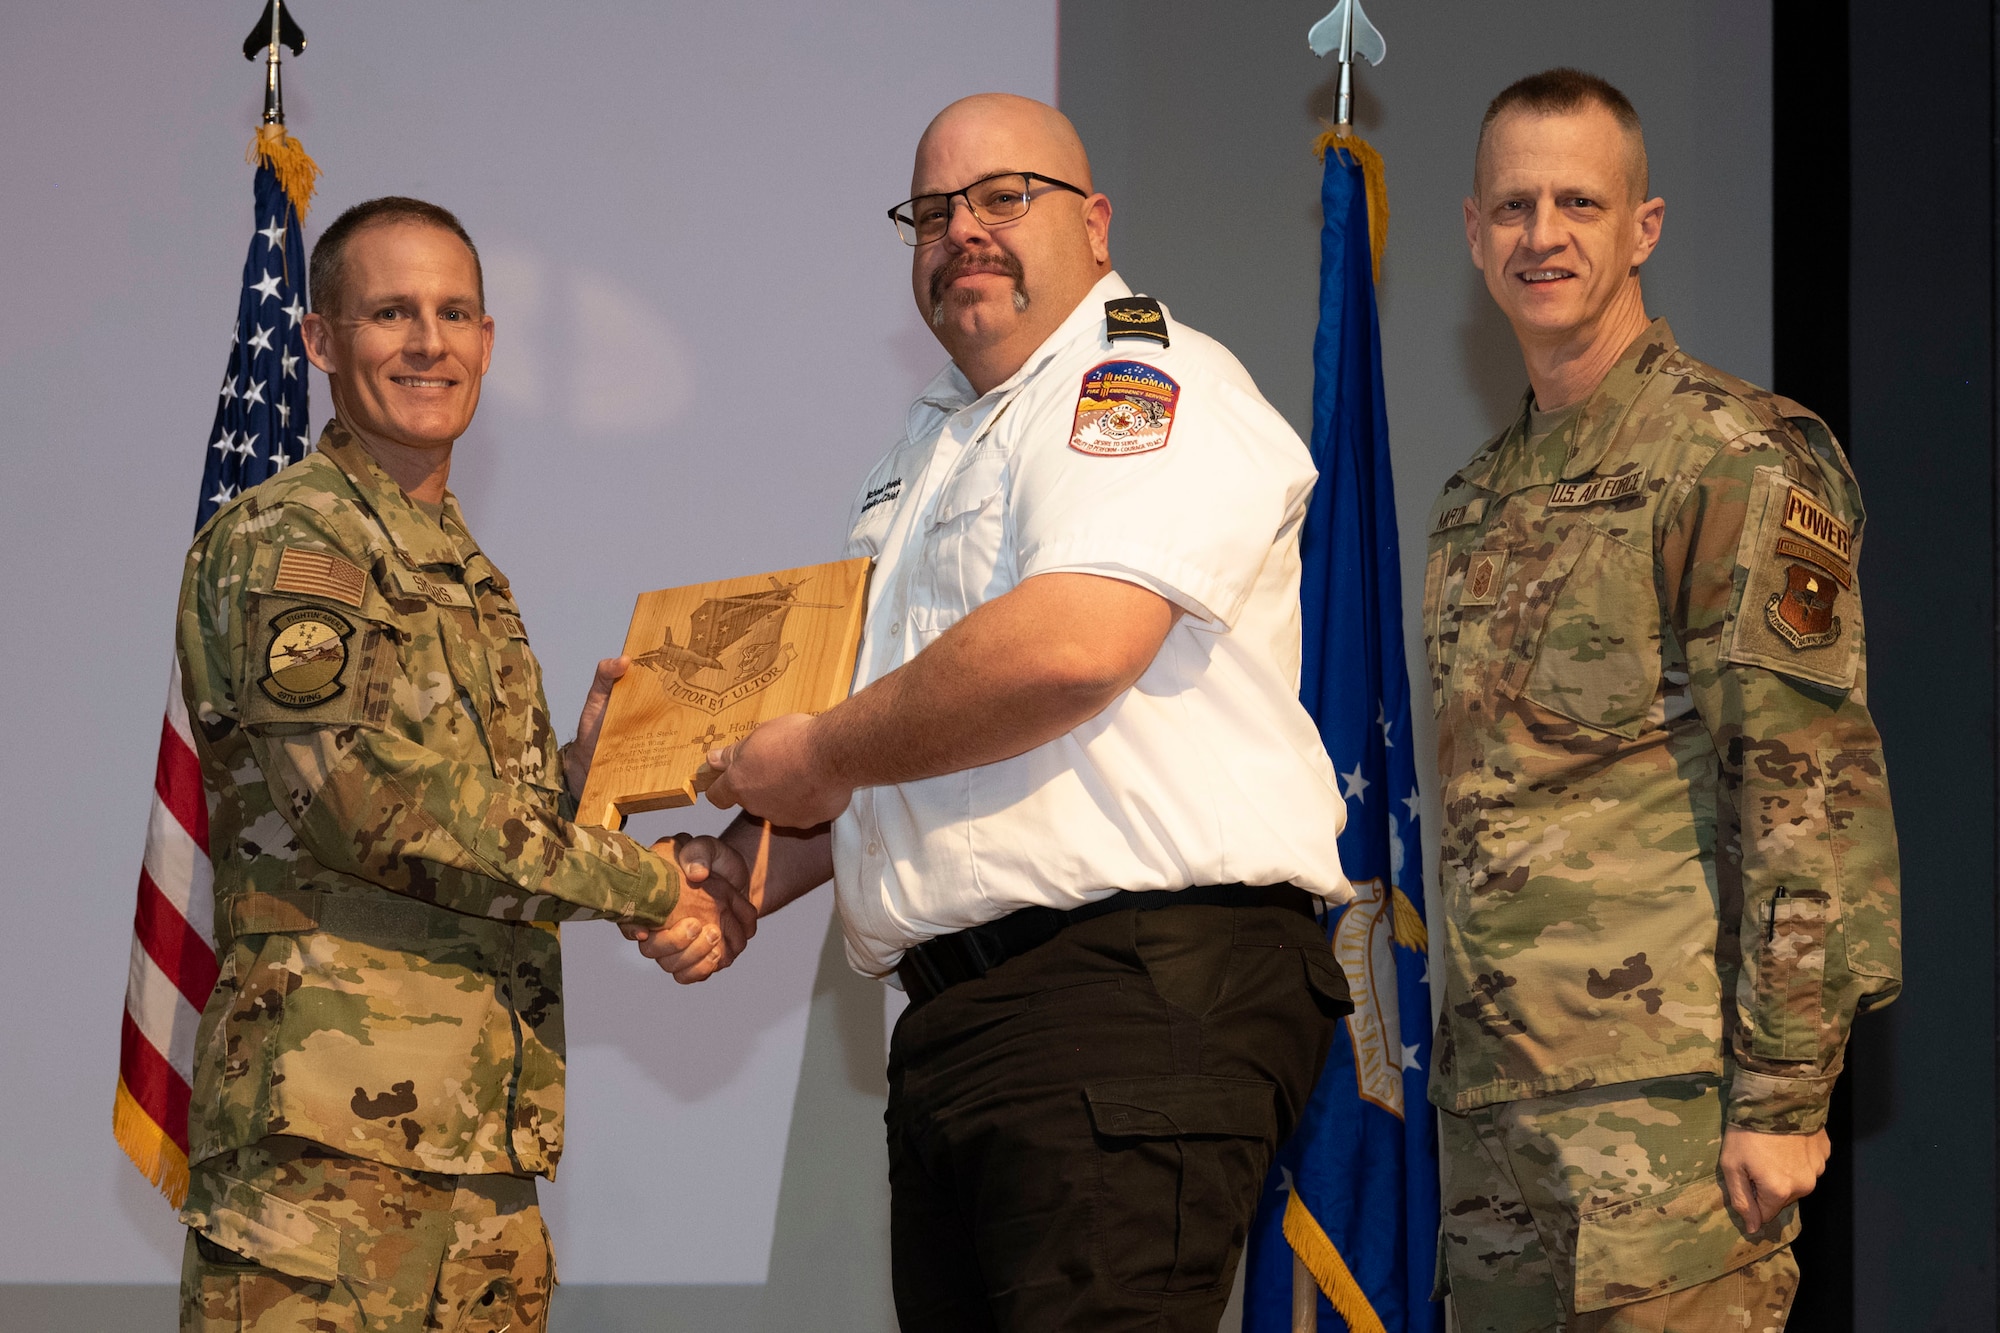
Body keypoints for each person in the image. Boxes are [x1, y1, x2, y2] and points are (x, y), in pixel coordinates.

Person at [633, 93, 1355, 1330]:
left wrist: (808, 751)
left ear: (1096, 221)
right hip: (974, 1025)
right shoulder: (923, 451)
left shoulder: (1136, 376)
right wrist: (749, 867)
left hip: (1125, 998)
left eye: (1004, 197)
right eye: (933, 210)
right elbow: (913, 744)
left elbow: (1070, 649)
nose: (963, 230)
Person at [173, 196, 755, 1332]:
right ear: (320, 342)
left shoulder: (469, 577)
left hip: (481, 1159)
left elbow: (490, 826)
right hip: (322, 1167)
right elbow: (368, 805)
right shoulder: (295, 543)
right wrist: (648, 883)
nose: (428, 342)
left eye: (454, 313)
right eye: (390, 312)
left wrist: (596, 766)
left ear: (488, 342)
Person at [1424, 69, 1902, 1332]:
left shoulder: (1732, 456)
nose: (1543, 235)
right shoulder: (1471, 504)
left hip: (1668, 1131)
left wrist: (1785, 1091)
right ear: (1472, 235)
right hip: (1494, 1138)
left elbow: (1805, 789)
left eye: (1579, 201)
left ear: (1642, 227)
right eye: (1513, 206)